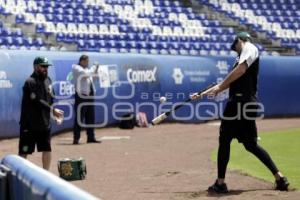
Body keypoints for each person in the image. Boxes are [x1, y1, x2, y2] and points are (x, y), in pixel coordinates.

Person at [191, 32, 289, 193]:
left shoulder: (249, 48)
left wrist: (220, 87)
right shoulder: (241, 57)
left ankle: (220, 183)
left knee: (225, 140)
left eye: (235, 47)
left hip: (239, 104)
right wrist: (201, 94)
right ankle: (280, 178)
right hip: (245, 104)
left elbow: (239, 71)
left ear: (239, 40)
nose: (235, 50)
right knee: (251, 145)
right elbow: (229, 81)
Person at [19, 56, 63, 170]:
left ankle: (46, 174)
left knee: (47, 149)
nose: (45, 68)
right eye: (43, 66)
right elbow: (37, 101)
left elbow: (51, 99)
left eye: (46, 66)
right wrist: (53, 111)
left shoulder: (48, 80)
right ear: (35, 67)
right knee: (24, 151)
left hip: (44, 123)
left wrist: (53, 115)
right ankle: (19, 175)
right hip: (29, 125)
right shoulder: (30, 82)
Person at [72, 55, 100, 144]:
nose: (87, 63)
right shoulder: (76, 67)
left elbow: (95, 78)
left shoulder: (87, 69)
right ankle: (76, 138)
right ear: (81, 61)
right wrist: (94, 66)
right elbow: (86, 75)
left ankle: (91, 137)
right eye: (86, 61)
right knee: (80, 118)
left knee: (90, 117)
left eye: (88, 61)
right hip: (81, 96)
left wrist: (96, 70)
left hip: (90, 95)